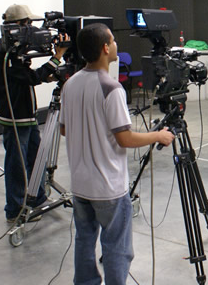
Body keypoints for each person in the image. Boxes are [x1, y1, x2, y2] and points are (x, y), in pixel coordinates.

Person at [59, 23, 175, 285]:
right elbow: (125, 138)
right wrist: (158, 136)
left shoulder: (70, 84)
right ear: (104, 48)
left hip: (80, 185)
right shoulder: (112, 89)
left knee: (84, 241)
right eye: (112, 41)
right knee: (117, 248)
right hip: (108, 188)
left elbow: (65, 129)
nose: (115, 45)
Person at [0, 4, 69, 223]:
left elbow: (26, 76)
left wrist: (49, 73)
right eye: (28, 24)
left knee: (36, 157)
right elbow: (31, 78)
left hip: (27, 114)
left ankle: (37, 198)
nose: (32, 29)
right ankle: (14, 210)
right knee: (16, 165)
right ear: (17, 25)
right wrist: (57, 57)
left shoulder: (13, 49)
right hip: (15, 116)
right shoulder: (4, 52)